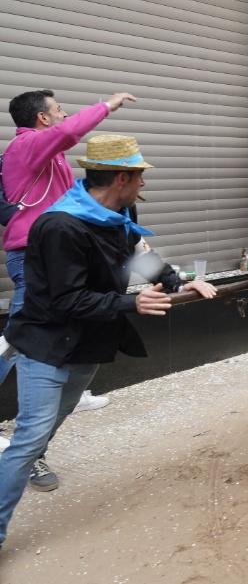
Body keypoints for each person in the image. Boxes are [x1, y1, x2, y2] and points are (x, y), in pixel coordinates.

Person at [0, 134, 216, 548]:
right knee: (30, 439)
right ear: (121, 178)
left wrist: (177, 281)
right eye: (139, 177)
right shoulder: (61, 225)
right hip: (47, 346)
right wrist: (134, 303)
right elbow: (66, 299)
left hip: (88, 346)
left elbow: (136, 250)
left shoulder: (118, 212)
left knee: (46, 430)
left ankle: (23, 460)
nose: (143, 185)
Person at [0, 90, 137, 452]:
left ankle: (70, 397)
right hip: (34, 253)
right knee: (20, 336)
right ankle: (29, 445)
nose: (64, 115)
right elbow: (68, 133)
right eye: (59, 110)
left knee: (56, 323)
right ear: (42, 119)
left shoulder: (54, 157)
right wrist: (107, 106)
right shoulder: (28, 146)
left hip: (53, 251)